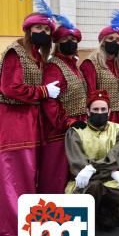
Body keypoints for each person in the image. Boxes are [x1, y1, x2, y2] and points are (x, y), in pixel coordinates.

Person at [0, 0, 58, 236]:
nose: (43, 34)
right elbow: (9, 88)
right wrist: (44, 91)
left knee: (28, 173)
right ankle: (13, 227)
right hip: (13, 124)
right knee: (15, 173)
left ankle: (25, 222)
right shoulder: (16, 52)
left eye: (47, 31)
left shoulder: (37, 57)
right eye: (38, 29)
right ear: (28, 30)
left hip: (30, 123)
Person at [65, 90, 119, 230]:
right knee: (95, 184)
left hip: (111, 182)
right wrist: (112, 171)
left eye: (103, 109)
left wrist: (93, 168)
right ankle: (82, 225)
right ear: (88, 111)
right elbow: (78, 167)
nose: (99, 112)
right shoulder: (75, 132)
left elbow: (117, 157)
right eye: (95, 109)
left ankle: (105, 219)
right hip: (86, 184)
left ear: (109, 111)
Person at [40, 14, 88, 194]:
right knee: (56, 175)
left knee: (75, 173)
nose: (71, 42)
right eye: (66, 39)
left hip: (78, 127)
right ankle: (52, 214)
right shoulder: (54, 66)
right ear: (57, 43)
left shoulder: (74, 65)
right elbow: (50, 102)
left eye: (73, 39)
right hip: (59, 131)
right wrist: (66, 122)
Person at [80, 10, 119, 125]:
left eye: (118, 40)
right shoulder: (90, 64)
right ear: (103, 41)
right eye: (110, 39)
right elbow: (89, 93)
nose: (114, 42)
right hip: (101, 115)